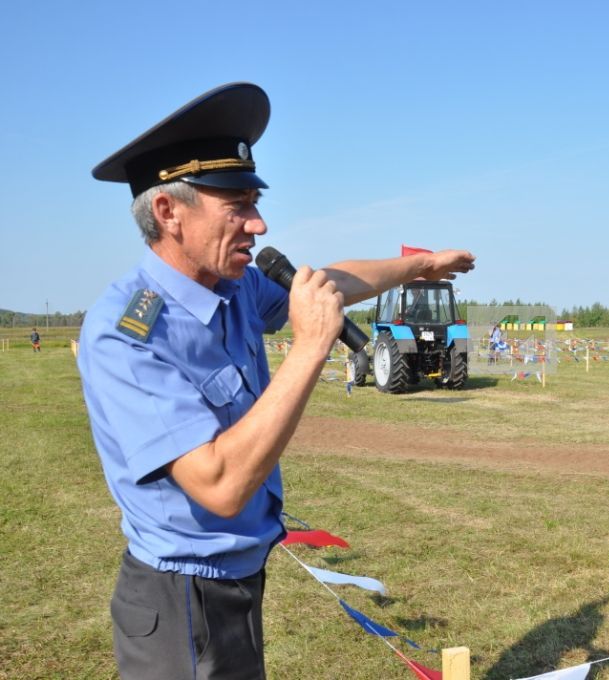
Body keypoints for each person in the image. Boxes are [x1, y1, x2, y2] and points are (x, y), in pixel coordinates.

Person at [78, 83, 474, 679]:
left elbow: (333, 280)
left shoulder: (231, 286)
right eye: (236, 205)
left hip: (238, 580)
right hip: (181, 598)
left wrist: (419, 266)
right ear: (168, 213)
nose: (258, 224)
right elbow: (220, 485)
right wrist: (312, 347)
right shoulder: (128, 332)